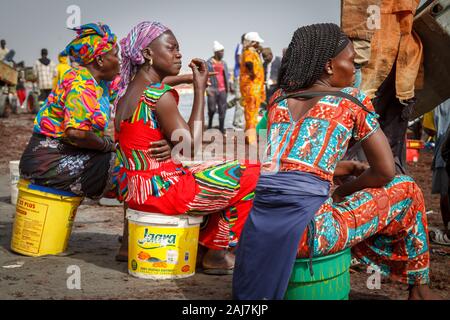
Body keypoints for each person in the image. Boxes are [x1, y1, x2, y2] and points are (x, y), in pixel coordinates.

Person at [233, 23, 440, 300]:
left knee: (340, 195)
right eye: (352, 61)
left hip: (259, 231)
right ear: (330, 66)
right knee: (407, 189)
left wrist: (345, 169)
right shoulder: (351, 99)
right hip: (309, 233)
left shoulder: (278, 100)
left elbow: (290, 167)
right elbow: (385, 171)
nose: (355, 70)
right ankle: (419, 289)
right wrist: (342, 190)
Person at [114, 21, 261, 274]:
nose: (178, 54)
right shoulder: (158, 96)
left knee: (207, 171)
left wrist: (173, 143)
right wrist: (200, 88)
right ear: (148, 54)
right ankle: (216, 252)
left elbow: (157, 138)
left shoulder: (126, 93)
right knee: (252, 172)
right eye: (171, 48)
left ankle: (138, 244)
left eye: (178, 49)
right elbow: (190, 147)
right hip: (163, 193)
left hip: (135, 192)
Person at [19, 23, 121, 199]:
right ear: (100, 60)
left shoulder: (100, 84)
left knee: (120, 163)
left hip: (60, 155)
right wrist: (107, 146)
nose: (119, 60)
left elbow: (130, 88)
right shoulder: (81, 84)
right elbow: (76, 133)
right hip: (46, 163)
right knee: (124, 170)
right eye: (116, 55)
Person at [429, 99, 450, 244]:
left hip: (444, 154)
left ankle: (448, 234)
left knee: (446, 194)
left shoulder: (437, 98)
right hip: (445, 153)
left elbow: (429, 129)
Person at [240, 32, 266, 145]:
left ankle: (248, 137)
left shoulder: (253, 52)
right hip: (251, 89)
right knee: (251, 114)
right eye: (258, 42)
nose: (259, 44)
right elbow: (249, 64)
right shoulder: (249, 53)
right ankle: (251, 139)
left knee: (251, 113)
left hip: (254, 88)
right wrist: (253, 75)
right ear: (253, 42)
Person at [206, 41, 231, 134]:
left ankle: (221, 128)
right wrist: (207, 89)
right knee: (211, 109)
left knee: (222, 109)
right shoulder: (208, 63)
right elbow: (205, 76)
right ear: (215, 52)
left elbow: (226, 76)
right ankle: (209, 125)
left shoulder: (224, 63)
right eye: (221, 51)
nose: (222, 53)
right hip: (212, 89)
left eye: (223, 51)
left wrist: (229, 87)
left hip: (223, 89)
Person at [232, 34, 246, 129]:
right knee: (240, 101)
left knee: (240, 101)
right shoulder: (241, 47)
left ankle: (237, 122)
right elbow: (240, 60)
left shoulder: (241, 47)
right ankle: (238, 123)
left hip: (241, 77)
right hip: (239, 77)